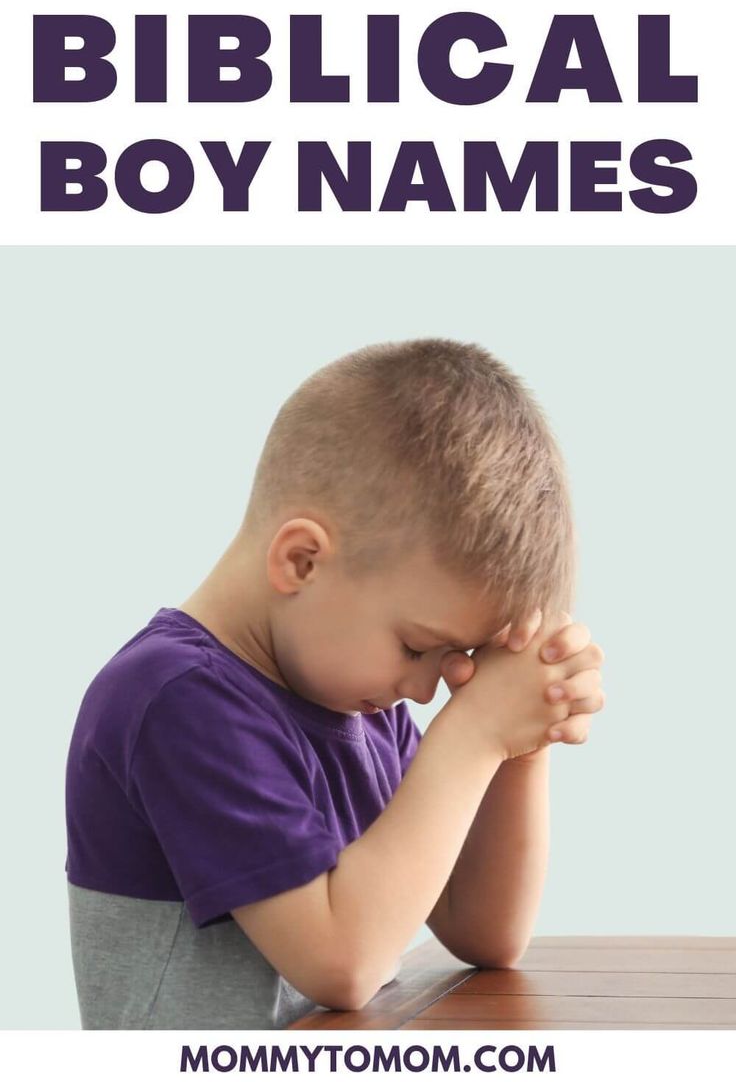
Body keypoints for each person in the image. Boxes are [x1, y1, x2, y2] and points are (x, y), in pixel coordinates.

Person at [65, 338, 605, 1029]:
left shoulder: (355, 697)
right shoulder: (176, 698)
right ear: (302, 560)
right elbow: (341, 963)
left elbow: (484, 932)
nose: (425, 689)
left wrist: (520, 739)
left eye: (454, 656)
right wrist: (472, 736)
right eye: (417, 646)